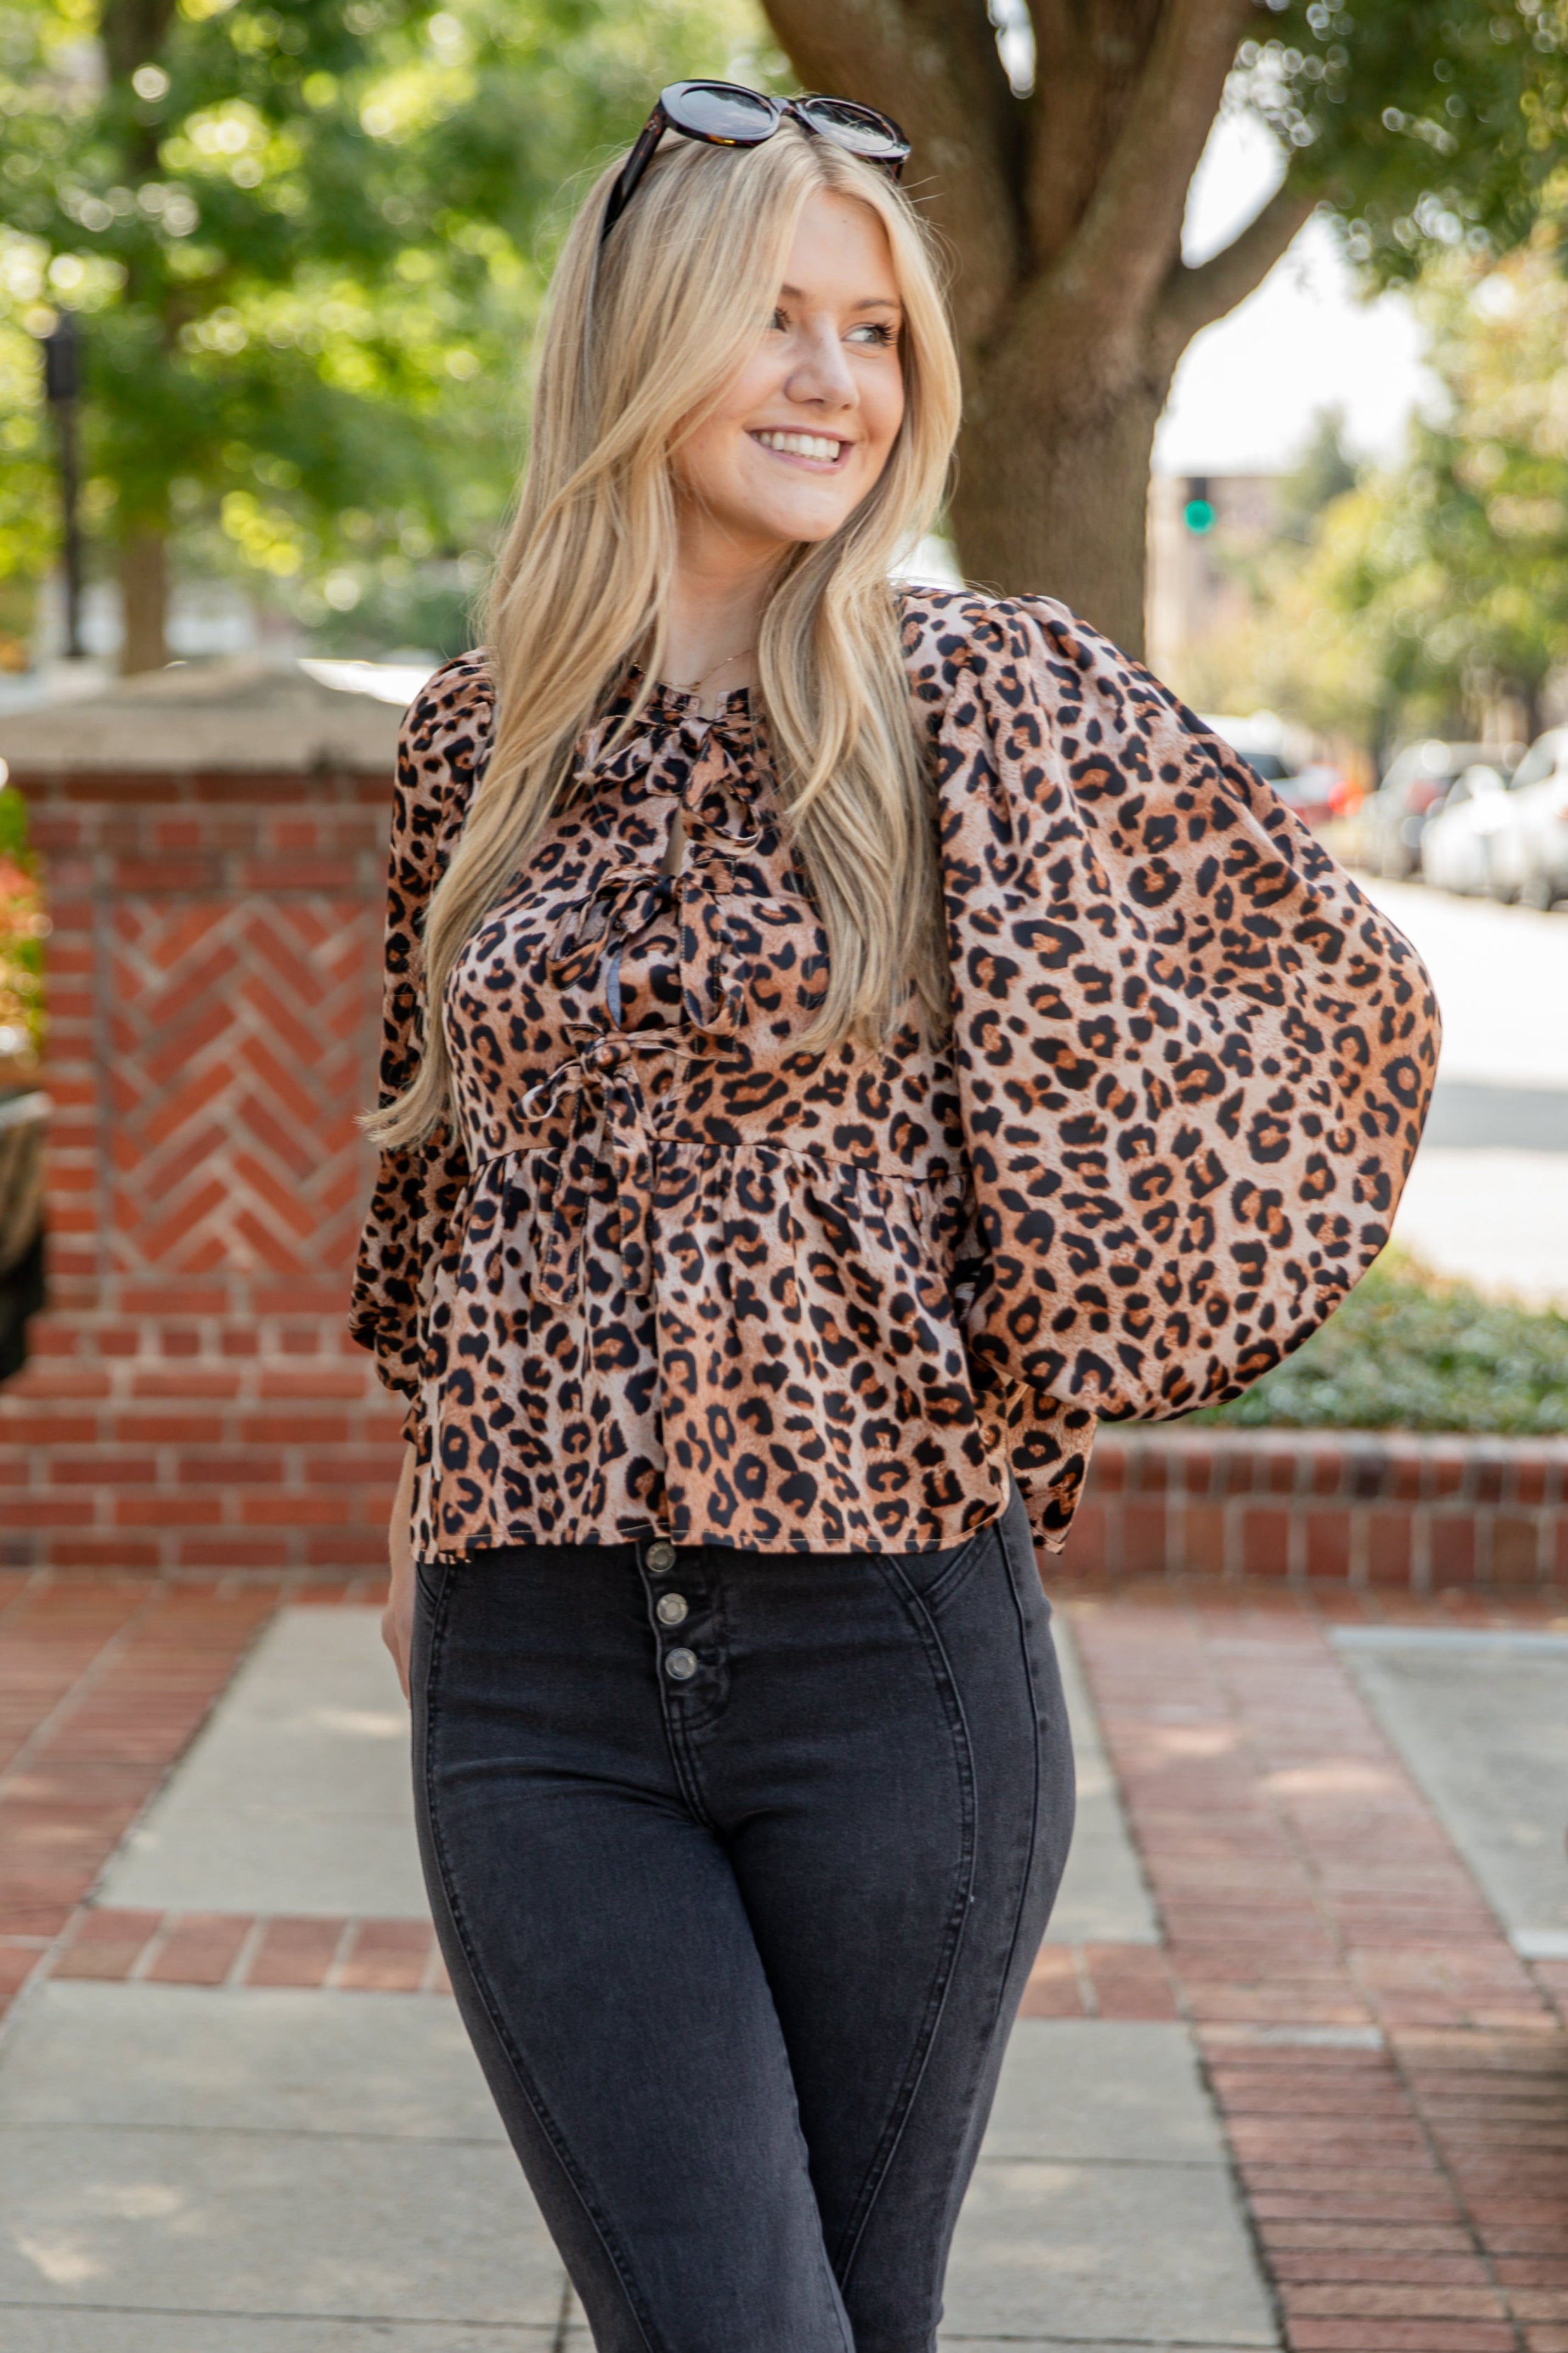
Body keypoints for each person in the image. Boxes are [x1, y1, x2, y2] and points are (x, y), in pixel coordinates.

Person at [351, 81, 1438, 2353]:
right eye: (776, 319)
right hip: (527, 1669)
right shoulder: (478, 745)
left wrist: (1069, 1314)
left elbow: (1329, 998)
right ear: (639, 337)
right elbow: (444, 1187)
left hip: (895, 1675)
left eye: (873, 332)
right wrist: (421, 1499)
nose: (836, 381)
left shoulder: (979, 702)